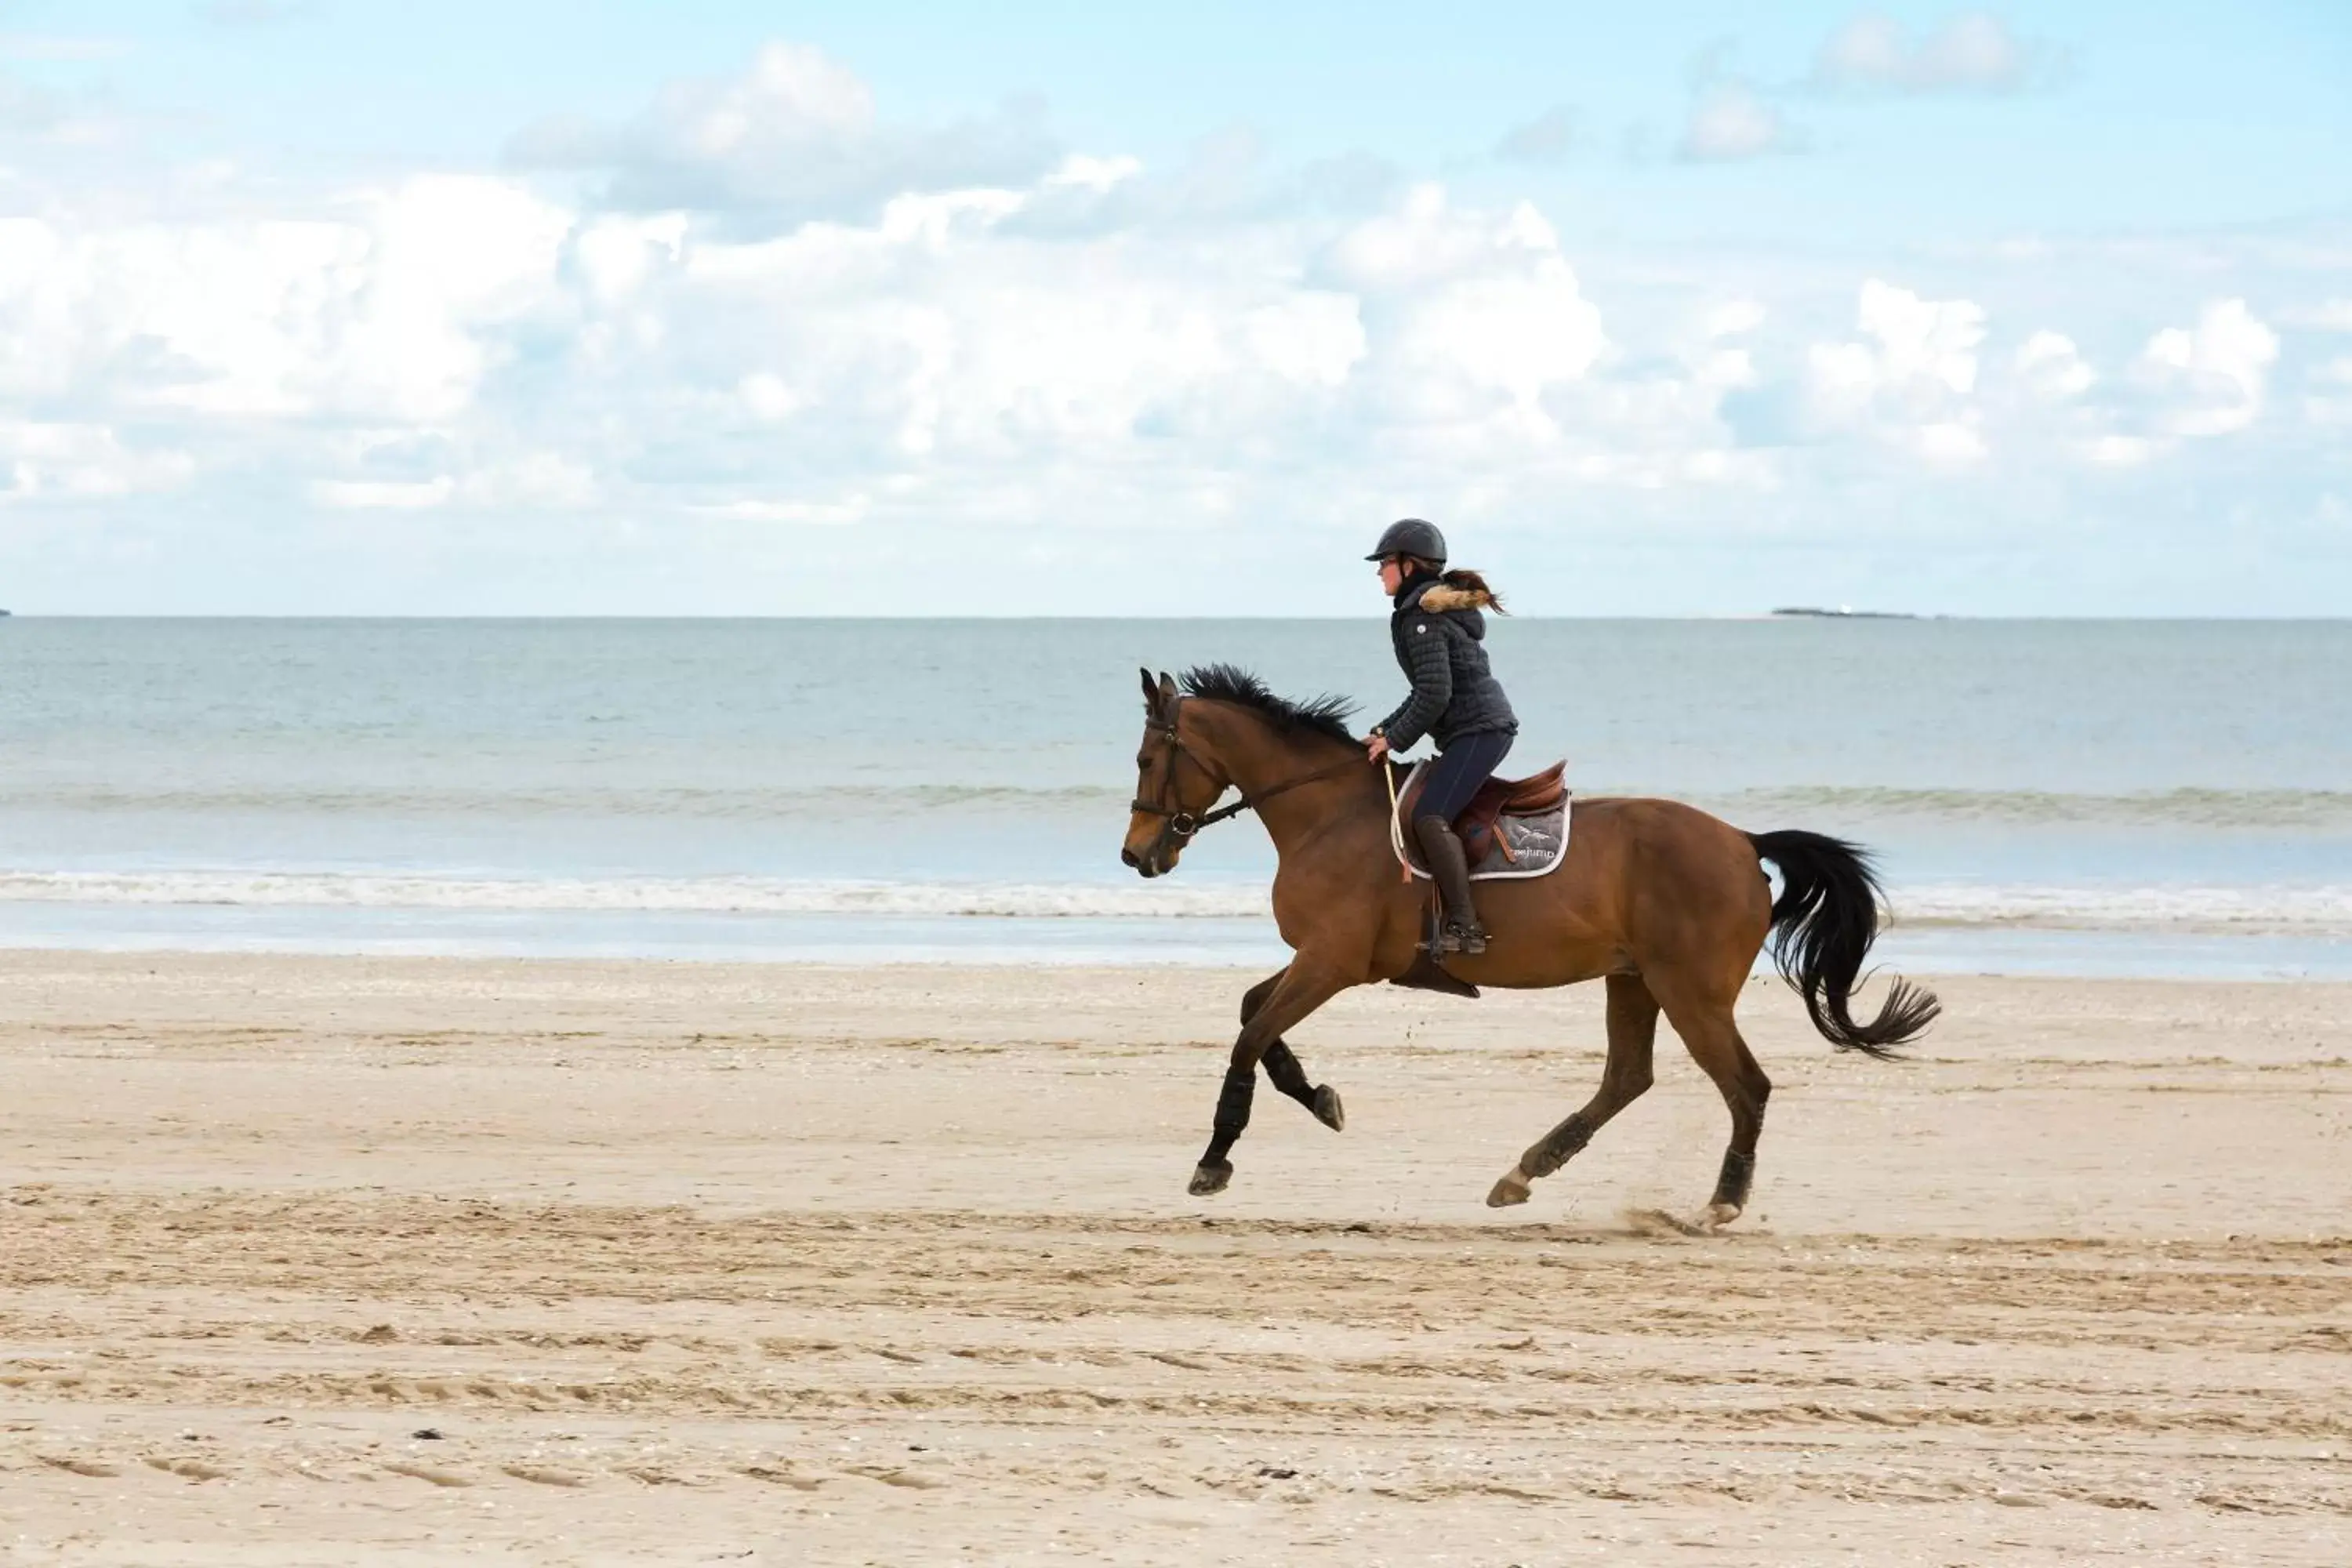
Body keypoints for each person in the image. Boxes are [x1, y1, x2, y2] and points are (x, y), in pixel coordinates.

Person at [1363, 519, 1518, 955]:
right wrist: (1384, 730)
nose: (1379, 572)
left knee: (1430, 817)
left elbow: (1435, 695)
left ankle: (1466, 926)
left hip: (1481, 731)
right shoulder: (1423, 613)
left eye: (1385, 563)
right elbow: (1425, 691)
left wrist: (1393, 741)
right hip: (1473, 729)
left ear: (1409, 566)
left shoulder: (1421, 618)